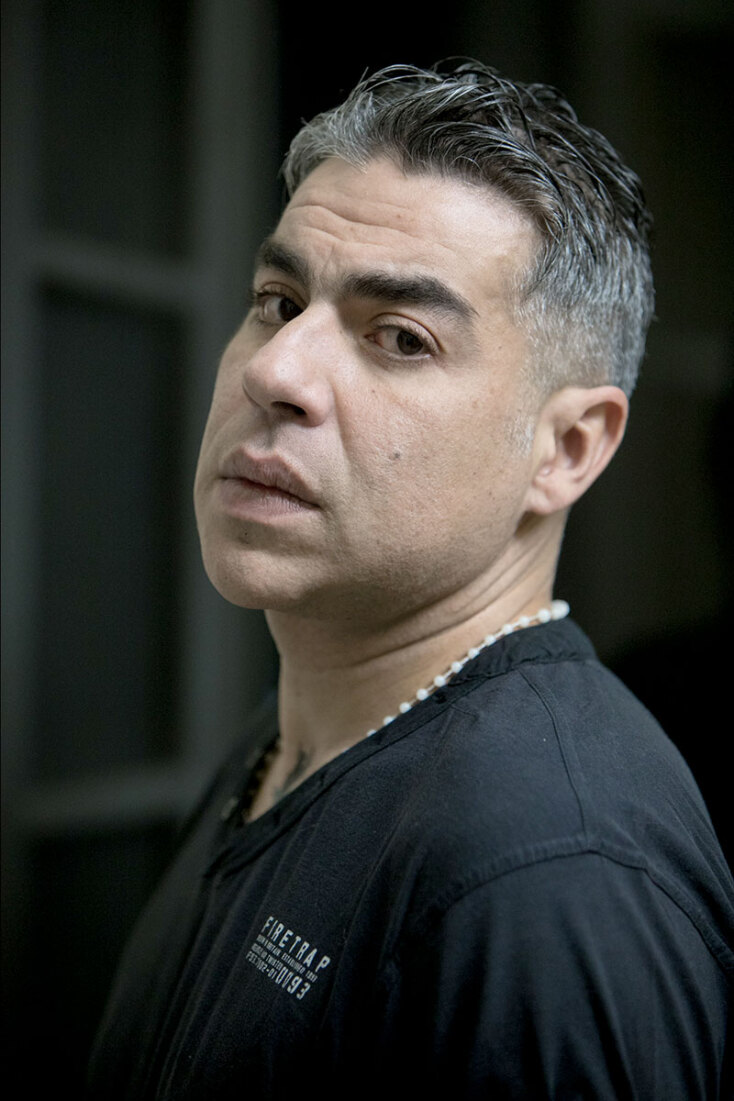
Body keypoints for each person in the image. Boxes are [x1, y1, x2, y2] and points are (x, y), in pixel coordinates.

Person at [87, 61, 733, 1099]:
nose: (275, 371)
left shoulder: (546, 872)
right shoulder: (293, 736)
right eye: (278, 301)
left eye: (399, 338)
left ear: (566, 448)